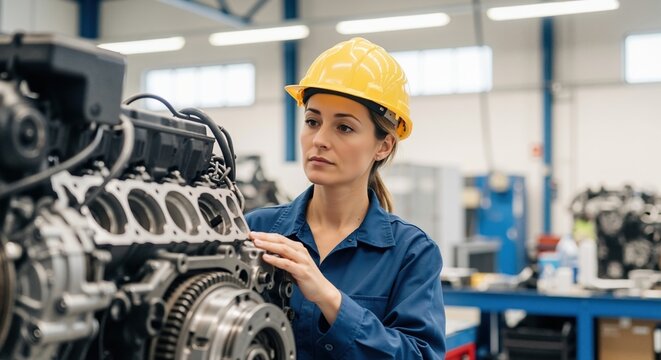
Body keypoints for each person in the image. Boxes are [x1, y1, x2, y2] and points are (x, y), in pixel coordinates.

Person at [246, 37, 446, 360]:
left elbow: (420, 355)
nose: (320, 140)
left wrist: (331, 300)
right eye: (313, 121)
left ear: (384, 146)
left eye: (344, 128)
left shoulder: (412, 254)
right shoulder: (259, 231)